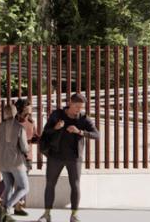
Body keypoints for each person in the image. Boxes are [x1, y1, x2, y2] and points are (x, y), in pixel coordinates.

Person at [38, 93, 100, 222]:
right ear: (70, 103)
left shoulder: (84, 119)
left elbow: (97, 135)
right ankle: (47, 214)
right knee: (50, 184)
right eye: (77, 106)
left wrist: (80, 131)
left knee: (75, 185)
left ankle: (74, 215)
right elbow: (46, 131)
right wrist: (56, 127)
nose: (79, 109)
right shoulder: (57, 115)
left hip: (74, 158)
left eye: (81, 107)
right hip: (55, 156)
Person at [0, 99, 34, 221]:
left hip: (2, 163)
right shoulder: (20, 128)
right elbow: (24, 147)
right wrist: (27, 150)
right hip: (17, 163)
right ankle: (6, 207)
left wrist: (0, 156)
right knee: (24, 187)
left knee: (8, 187)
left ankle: (4, 217)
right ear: (16, 112)